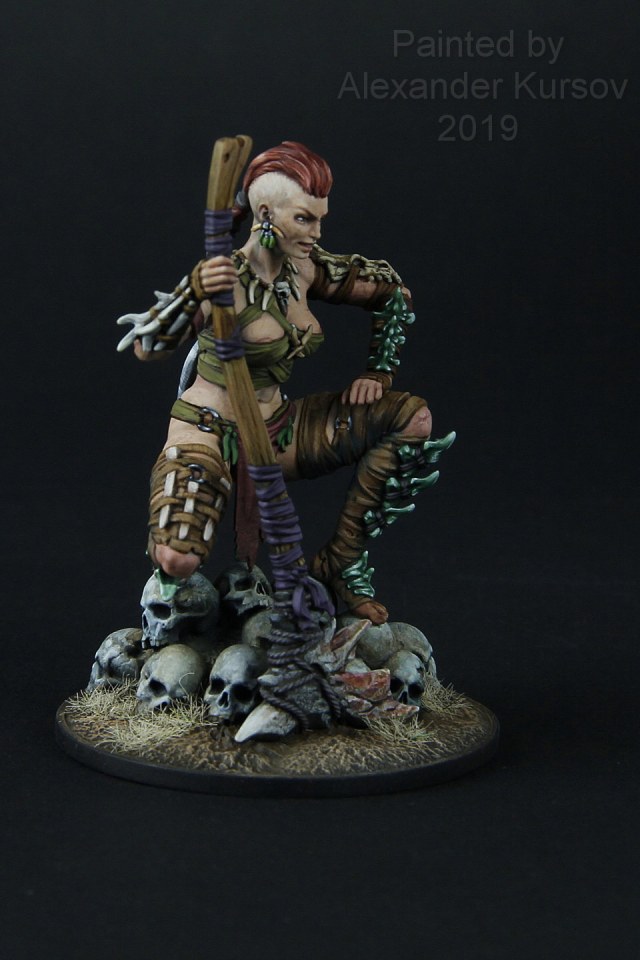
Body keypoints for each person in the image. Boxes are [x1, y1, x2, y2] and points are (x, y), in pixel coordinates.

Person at [118, 141, 452, 625]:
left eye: (320, 219)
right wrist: (194, 290)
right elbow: (148, 348)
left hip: (279, 431)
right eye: (304, 219)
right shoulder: (223, 279)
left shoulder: (306, 268)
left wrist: (378, 372)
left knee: (411, 420)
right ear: (266, 214)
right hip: (208, 431)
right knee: (177, 558)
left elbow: (393, 293)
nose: (316, 233)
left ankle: (341, 563)